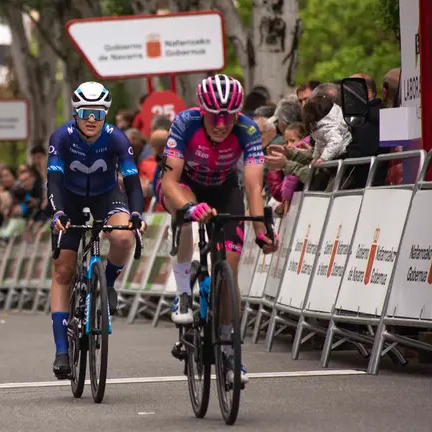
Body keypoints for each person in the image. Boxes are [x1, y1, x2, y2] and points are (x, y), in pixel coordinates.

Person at [156, 74, 278, 385]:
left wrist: (262, 228)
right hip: (185, 185)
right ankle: (183, 293)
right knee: (185, 221)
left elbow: (253, 186)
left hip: (225, 189)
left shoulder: (248, 129)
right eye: (214, 116)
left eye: (229, 116)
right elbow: (169, 182)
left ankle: (229, 353)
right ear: (202, 110)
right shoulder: (185, 123)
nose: (221, 124)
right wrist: (188, 207)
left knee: (229, 274)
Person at [47, 81, 147, 379]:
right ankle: (62, 350)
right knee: (63, 271)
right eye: (87, 112)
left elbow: (132, 182)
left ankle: (110, 282)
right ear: (76, 113)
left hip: (107, 195)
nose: (92, 119)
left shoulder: (117, 138)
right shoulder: (61, 137)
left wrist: (137, 213)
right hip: (69, 199)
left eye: (100, 113)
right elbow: (52, 180)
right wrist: (58, 212)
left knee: (122, 235)